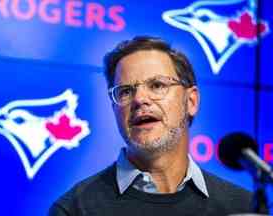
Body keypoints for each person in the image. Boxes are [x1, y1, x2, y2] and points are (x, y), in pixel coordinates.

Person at [49, 36, 252, 215]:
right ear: (114, 108)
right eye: (126, 91)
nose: (139, 99)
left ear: (191, 101)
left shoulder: (244, 207)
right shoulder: (75, 209)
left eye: (157, 85)